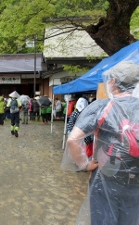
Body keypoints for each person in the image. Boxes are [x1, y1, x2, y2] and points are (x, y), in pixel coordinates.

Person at [62, 61, 139, 225]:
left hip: (106, 176)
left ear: (112, 82)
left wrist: (84, 164)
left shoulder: (102, 107)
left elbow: (73, 139)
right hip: (136, 181)